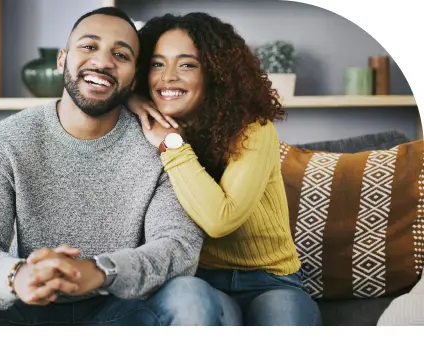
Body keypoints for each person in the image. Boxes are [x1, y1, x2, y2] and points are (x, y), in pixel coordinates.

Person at [0, 7, 233, 326]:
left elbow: (177, 247)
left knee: (190, 296)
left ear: (134, 77)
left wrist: (100, 271)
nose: (103, 61)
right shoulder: (6, 139)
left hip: (121, 309)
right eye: (89, 46)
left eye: (120, 55)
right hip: (27, 307)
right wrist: (16, 275)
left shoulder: (159, 144)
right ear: (62, 59)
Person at [127, 12, 322, 326]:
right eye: (157, 64)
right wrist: (128, 99)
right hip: (200, 282)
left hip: (270, 280)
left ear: (215, 72)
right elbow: (80, 87)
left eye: (187, 64)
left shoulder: (253, 130)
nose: (168, 77)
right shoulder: (140, 126)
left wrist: (172, 145)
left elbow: (221, 220)